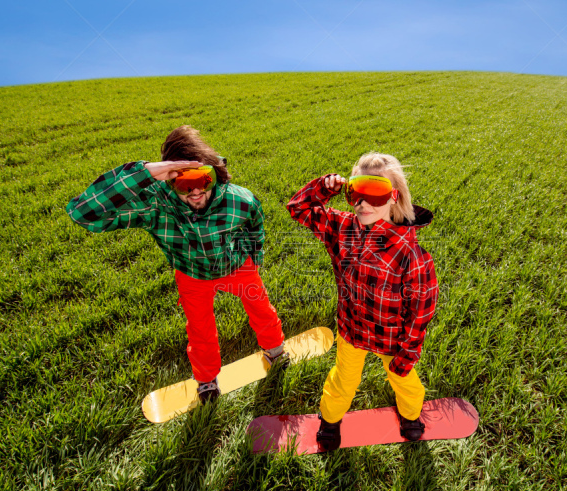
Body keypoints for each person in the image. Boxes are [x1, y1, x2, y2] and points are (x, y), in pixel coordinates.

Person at [66, 125, 287, 403]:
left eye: (203, 180)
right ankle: (206, 379)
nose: (195, 192)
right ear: (168, 180)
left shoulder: (238, 199)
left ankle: (275, 350)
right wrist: (144, 173)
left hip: (237, 267)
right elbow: (83, 213)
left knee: (261, 308)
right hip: (192, 275)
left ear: (214, 174)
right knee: (200, 329)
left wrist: (254, 258)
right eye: (184, 183)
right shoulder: (156, 205)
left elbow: (255, 226)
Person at [287, 152, 439, 451]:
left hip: (392, 340)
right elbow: (298, 208)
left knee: (404, 381)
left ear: (395, 197)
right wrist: (324, 188)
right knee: (342, 380)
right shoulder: (342, 228)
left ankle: (409, 417)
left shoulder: (411, 255)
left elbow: (421, 313)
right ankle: (330, 420)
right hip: (352, 331)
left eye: (377, 194)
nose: (363, 203)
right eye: (356, 191)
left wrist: (406, 355)